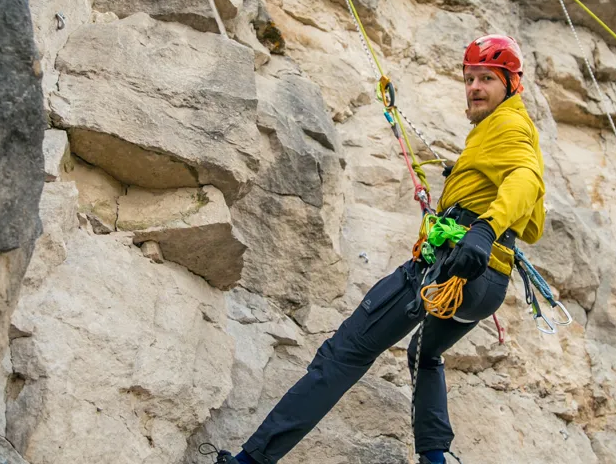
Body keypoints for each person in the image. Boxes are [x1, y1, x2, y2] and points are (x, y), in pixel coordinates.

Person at [213, 35, 546, 464]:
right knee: (425, 354)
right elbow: (514, 184)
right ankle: (435, 457)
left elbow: (525, 179)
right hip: (487, 284)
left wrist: (483, 229)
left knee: (345, 352)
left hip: (454, 269)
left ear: (511, 85)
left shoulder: (510, 126)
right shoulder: (492, 133)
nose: (475, 87)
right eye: (470, 78)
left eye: (486, 79)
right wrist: (459, 176)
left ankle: (251, 460)